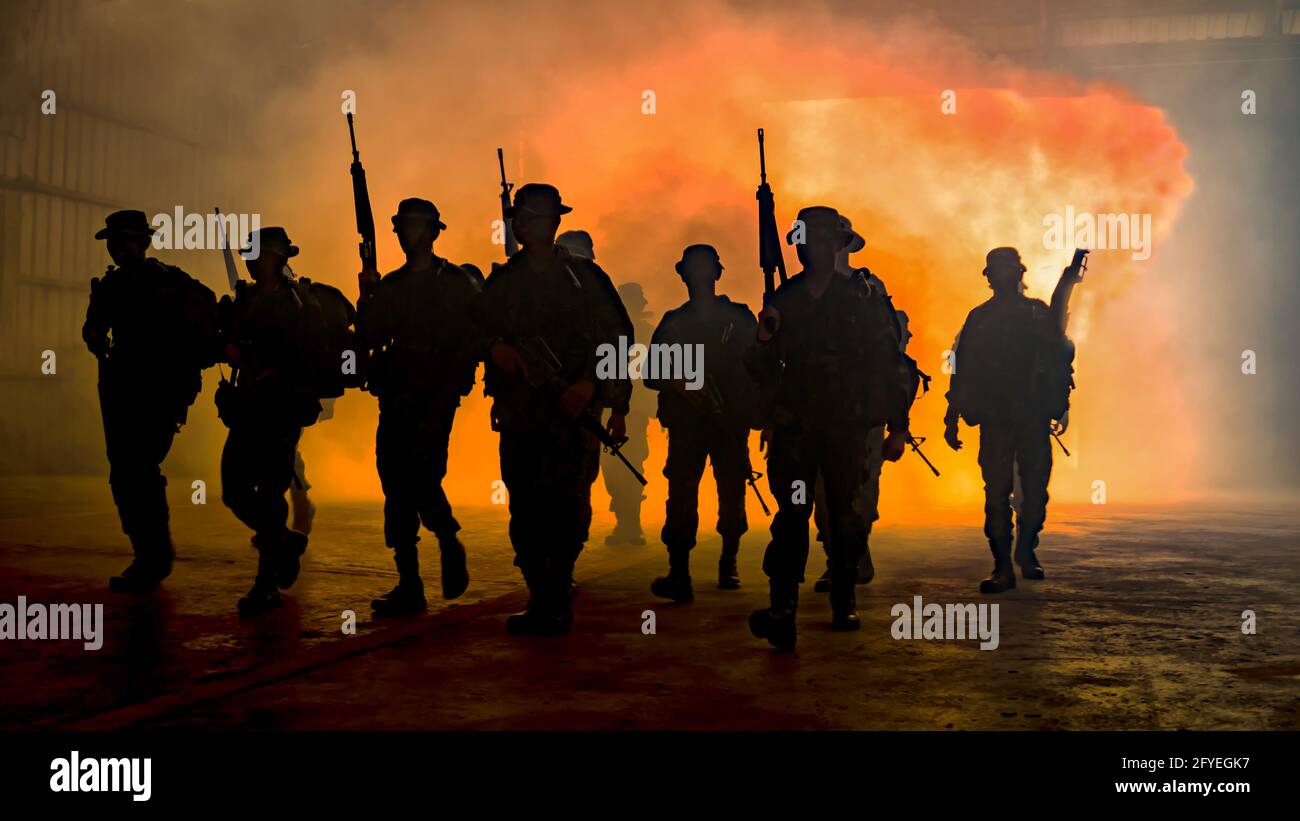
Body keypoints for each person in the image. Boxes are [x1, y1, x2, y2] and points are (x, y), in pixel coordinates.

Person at [746, 206, 912, 650]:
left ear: (838, 246)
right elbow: (758, 370)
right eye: (806, 240)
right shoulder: (785, 298)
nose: (811, 248)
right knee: (792, 518)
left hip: (847, 428)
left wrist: (897, 426)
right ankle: (782, 609)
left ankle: (844, 599)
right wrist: (764, 338)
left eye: (821, 240)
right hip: (797, 430)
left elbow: (890, 364)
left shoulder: (862, 301)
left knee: (846, 518)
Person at [473, 184, 633, 635]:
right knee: (525, 509)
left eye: (536, 217)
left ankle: (557, 592)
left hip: (572, 413)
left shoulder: (584, 278)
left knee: (567, 509)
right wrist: (495, 347)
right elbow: (469, 328)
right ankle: (542, 594)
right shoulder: (503, 282)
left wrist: (593, 386)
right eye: (521, 218)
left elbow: (618, 338)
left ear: (554, 223)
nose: (526, 225)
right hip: (523, 416)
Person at [83, 210, 219, 593]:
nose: (117, 248)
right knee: (125, 474)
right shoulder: (110, 287)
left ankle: (153, 557)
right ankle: (148, 552)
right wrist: (94, 333)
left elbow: (203, 328)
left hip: (158, 392)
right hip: (123, 390)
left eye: (124, 240)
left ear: (141, 243)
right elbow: (93, 328)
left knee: (139, 468)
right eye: (114, 241)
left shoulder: (170, 284)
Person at [355, 198, 480, 616]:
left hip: (435, 394)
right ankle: (409, 582)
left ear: (432, 232)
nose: (408, 234)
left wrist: (452, 389)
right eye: (403, 227)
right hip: (397, 395)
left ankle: (446, 538)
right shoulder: (390, 286)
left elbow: (473, 336)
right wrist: (366, 296)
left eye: (415, 226)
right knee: (394, 482)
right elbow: (369, 337)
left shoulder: (456, 282)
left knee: (423, 477)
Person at [943, 246, 1082, 593]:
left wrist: (1060, 403)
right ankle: (1003, 564)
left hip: (1031, 416)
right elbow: (961, 368)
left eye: (1007, 270)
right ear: (989, 277)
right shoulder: (979, 318)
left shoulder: (1037, 315)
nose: (1001, 277)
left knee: (1034, 491)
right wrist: (952, 414)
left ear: (1018, 274)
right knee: (996, 493)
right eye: (996, 271)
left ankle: (1025, 548)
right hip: (996, 418)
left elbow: (1059, 358)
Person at [217, 227, 333, 616]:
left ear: (279, 259)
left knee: (269, 493)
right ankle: (283, 540)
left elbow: (313, 356)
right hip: (249, 407)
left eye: (262, 255)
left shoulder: (299, 304)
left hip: (281, 409)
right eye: (252, 255)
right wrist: (228, 345)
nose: (254, 262)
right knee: (233, 490)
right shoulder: (244, 301)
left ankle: (267, 583)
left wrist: (278, 373)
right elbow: (222, 340)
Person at [645, 244, 758, 600]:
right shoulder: (674, 321)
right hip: (688, 425)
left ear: (717, 273)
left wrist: (760, 416)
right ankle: (679, 571)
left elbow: (759, 367)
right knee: (680, 495)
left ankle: (729, 560)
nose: (698, 276)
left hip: (728, 421)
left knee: (731, 492)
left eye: (704, 268)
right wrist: (678, 382)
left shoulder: (738, 317)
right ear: (683, 275)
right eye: (692, 269)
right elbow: (650, 370)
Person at [812, 215, 916, 592]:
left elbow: (890, 356)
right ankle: (840, 559)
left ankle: (852, 558)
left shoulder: (869, 289)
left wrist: (897, 421)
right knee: (822, 498)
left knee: (859, 491)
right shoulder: (802, 292)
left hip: (860, 413)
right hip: (816, 411)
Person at [555, 232, 655, 547]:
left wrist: (623, 408)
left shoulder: (612, 319)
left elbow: (632, 367)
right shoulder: (548, 301)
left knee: (610, 472)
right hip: (562, 403)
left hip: (610, 406)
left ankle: (625, 524)